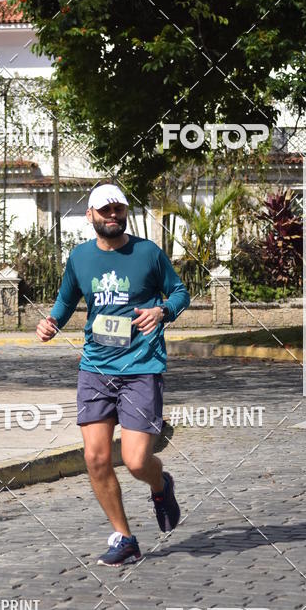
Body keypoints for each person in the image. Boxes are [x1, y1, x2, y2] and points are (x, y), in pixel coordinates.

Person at [36, 183, 190, 566]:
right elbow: (67, 298)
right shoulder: (80, 257)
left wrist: (162, 312)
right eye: (104, 210)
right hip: (95, 368)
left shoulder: (147, 253)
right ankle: (124, 537)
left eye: (118, 209)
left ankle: (161, 484)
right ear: (90, 216)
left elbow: (180, 292)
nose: (112, 216)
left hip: (141, 368)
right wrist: (53, 320)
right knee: (96, 458)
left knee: (137, 461)